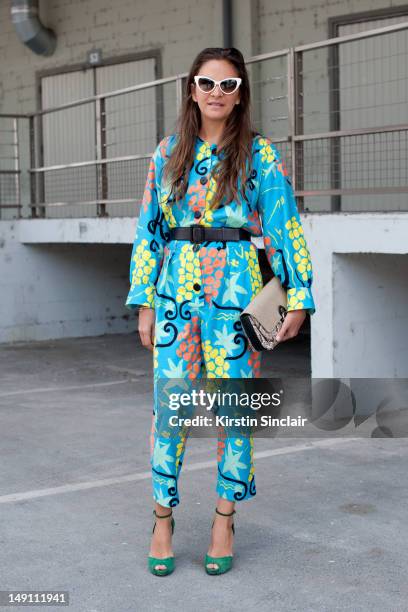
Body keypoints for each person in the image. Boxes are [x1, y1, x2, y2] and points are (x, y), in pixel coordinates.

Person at [125, 47, 316, 576]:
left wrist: (296, 297)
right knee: (171, 408)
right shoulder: (167, 153)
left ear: (240, 95)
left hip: (240, 294)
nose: (216, 93)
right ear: (191, 89)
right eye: (207, 83)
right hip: (173, 297)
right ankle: (162, 518)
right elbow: (149, 231)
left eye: (228, 85)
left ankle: (223, 518)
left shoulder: (259, 154)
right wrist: (143, 301)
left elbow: (284, 225)